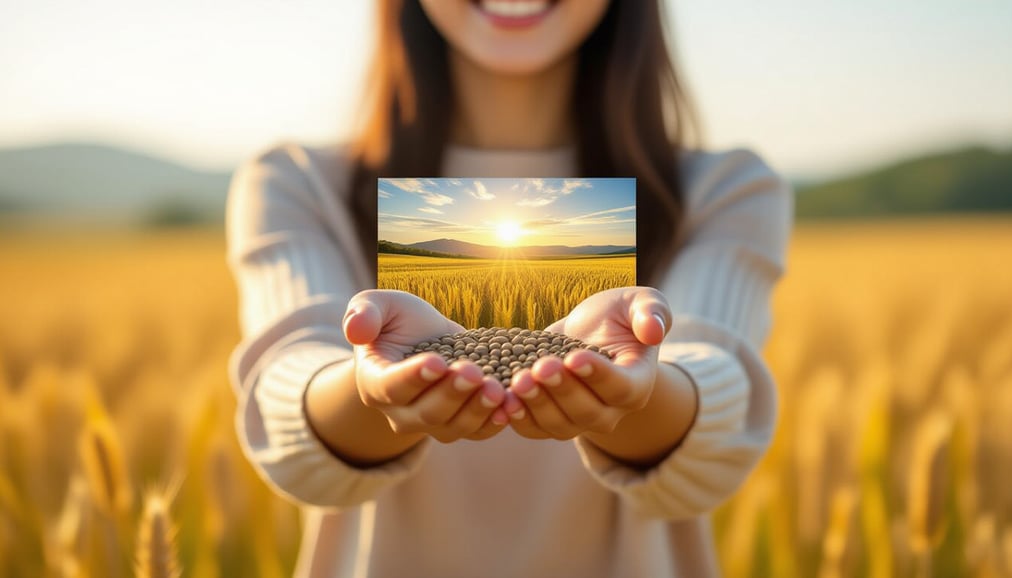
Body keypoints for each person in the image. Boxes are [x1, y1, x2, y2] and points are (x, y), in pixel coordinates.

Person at [226, 0, 792, 576]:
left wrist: (639, 392)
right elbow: (288, 423)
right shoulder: (299, 185)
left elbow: (716, 435)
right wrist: (367, 387)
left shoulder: (722, 190)